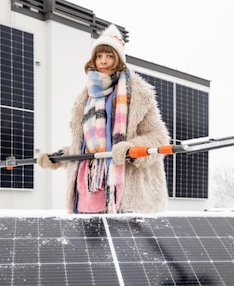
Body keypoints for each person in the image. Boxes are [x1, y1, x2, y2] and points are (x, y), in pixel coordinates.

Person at [37, 24, 170, 214]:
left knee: (124, 243)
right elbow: (86, 148)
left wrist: (131, 148)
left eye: (109, 56)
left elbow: (159, 138)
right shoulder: (86, 99)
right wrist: (60, 157)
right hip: (88, 193)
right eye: (99, 56)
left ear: (118, 61)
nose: (103, 61)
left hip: (127, 194)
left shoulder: (139, 95)